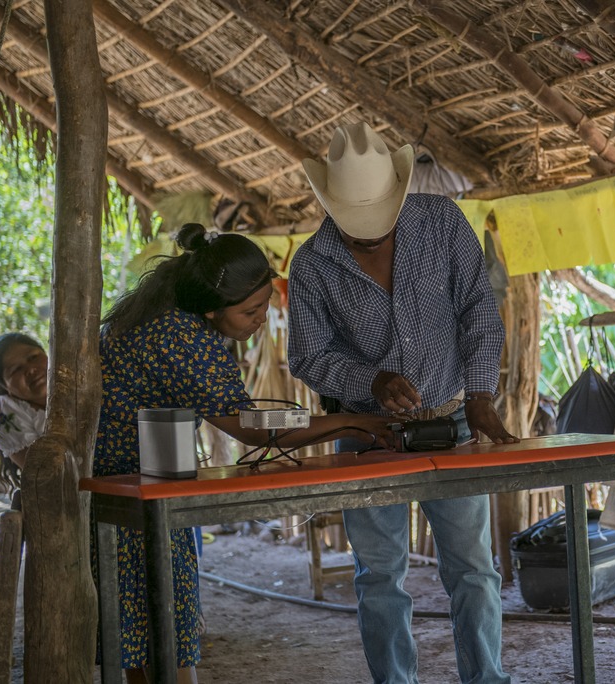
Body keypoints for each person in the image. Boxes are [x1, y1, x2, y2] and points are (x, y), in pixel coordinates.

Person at [97, 223, 394, 684]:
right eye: (251, 310)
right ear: (213, 311)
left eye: (267, 302)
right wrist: (350, 422)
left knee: (140, 625)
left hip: (126, 479)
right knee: (159, 620)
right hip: (130, 482)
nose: (261, 318)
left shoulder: (167, 313)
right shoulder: (182, 338)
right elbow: (251, 427)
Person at [288, 121, 518, 684]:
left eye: (379, 224)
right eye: (356, 228)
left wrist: (481, 396)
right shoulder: (312, 265)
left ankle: (486, 679)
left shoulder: (442, 224)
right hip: (368, 436)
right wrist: (371, 379)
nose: (370, 236)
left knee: (474, 571)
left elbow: (479, 314)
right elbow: (308, 357)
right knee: (379, 575)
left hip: (453, 420)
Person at [0, 333, 48, 499]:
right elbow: (45, 473)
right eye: (16, 369)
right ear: (5, 386)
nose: (30, 369)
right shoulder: (5, 411)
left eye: (33, 357)